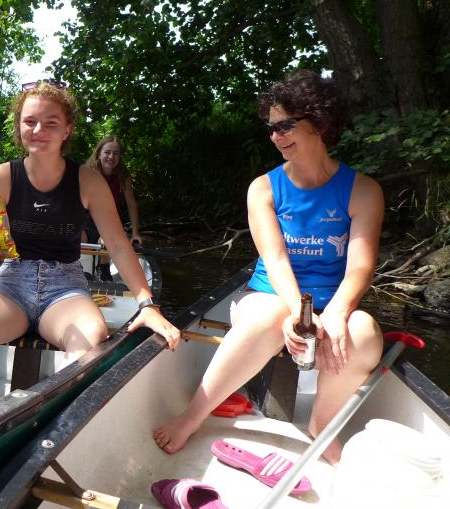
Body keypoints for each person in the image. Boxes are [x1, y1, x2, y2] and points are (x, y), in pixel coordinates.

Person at [152, 70, 384, 465]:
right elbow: (274, 258)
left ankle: (322, 424)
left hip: (331, 303)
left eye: (285, 126)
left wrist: (337, 314)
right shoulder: (263, 188)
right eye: (271, 128)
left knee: (365, 332)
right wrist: (297, 313)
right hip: (268, 296)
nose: (275, 136)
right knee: (272, 313)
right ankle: (193, 415)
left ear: (319, 122)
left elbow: (360, 267)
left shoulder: (363, 190)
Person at [0, 80, 180, 393]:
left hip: (66, 290)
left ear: (67, 130)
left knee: (91, 342)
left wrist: (147, 305)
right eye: (30, 122)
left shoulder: (89, 181)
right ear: (19, 127)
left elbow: (117, 244)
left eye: (51, 123)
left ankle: (54, 417)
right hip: (10, 286)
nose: (38, 130)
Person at [83, 136, 143, 281]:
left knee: (107, 240)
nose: (111, 157)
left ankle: (103, 269)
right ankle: (84, 270)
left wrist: (135, 233)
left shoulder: (123, 176)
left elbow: (131, 204)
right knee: (79, 237)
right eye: (107, 152)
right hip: (85, 220)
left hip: (108, 221)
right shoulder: (87, 173)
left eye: (116, 153)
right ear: (99, 154)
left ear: (120, 157)